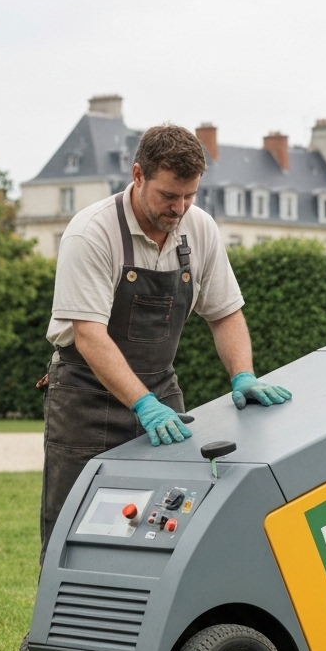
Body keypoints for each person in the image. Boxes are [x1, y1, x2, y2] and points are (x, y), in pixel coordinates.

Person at [40, 124, 291, 559]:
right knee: (72, 532)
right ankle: (52, 630)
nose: (180, 207)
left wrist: (243, 374)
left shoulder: (199, 229)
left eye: (190, 195)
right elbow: (89, 335)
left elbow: (225, 312)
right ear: (138, 175)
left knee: (168, 526)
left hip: (161, 393)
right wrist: (142, 405)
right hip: (84, 398)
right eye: (169, 196)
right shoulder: (92, 232)